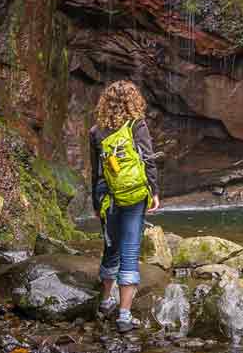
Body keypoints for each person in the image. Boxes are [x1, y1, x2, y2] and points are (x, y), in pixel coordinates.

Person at [90, 80, 160, 333]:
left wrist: (96, 203)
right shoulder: (136, 125)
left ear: (105, 104)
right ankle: (124, 315)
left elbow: (96, 173)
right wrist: (154, 192)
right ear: (133, 102)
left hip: (107, 196)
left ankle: (106, 301)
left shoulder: (96, 132)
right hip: (134, 195)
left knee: (111, 247)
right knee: (130, 250)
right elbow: (148, 160)